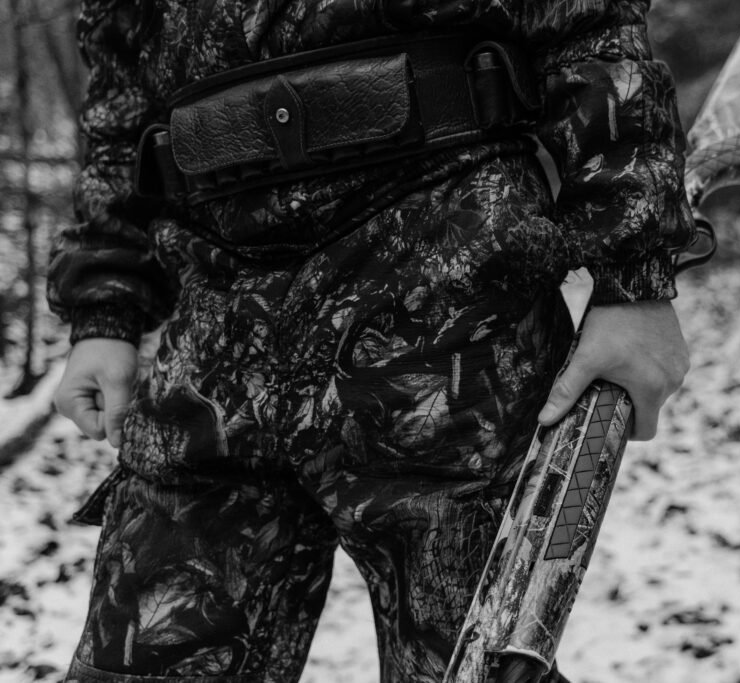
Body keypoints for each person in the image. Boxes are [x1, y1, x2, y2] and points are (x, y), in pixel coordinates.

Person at [48, 1, 693, 681]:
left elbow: (587, 22)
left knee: (471, 669)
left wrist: (636, 276)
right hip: (213, 317)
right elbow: (121, 101)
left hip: (445, 288)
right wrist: (106, 306)